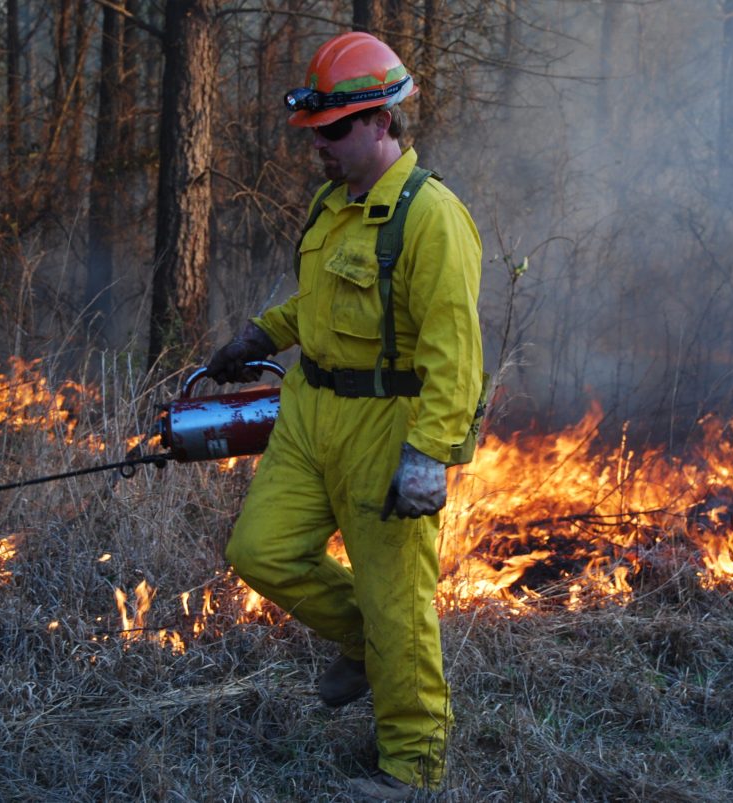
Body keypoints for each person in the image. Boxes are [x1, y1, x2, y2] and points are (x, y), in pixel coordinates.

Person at [207, 31, 483, 800]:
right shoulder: (334, 202)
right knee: (259, 548)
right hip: (308, 413)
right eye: (313, 134)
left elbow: (454, 351)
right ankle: (364, 641)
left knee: (400, 605)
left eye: (330, 133)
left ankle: (413, 766)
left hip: (383, 428)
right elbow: (324, 297)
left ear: (378, 123)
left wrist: (429, 454)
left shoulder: (432, 219)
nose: (318, 149)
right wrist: (264, 331)